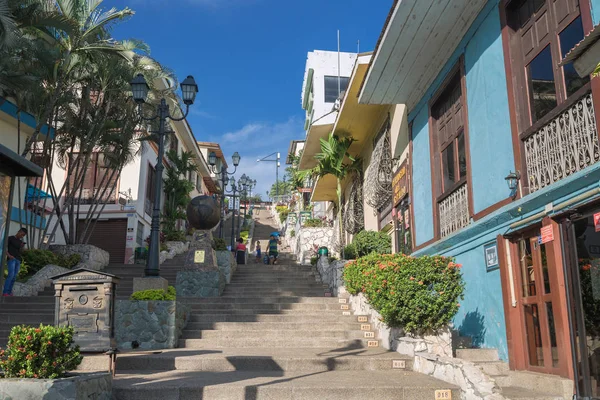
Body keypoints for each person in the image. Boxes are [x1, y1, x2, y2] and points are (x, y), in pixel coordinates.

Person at [3, 228, 27, 296]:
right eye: (22, 234)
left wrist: (22, 246)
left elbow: (20, 252)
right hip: (11, 259)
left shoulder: (20, 242)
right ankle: (5, 292)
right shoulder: (10, 238)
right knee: (11, 275)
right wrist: (9, 256)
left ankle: (9, 292)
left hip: (18, 260)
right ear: (19, 232)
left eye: (23, 236)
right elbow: (4, 247)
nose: (22, 236)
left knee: (14, 277)